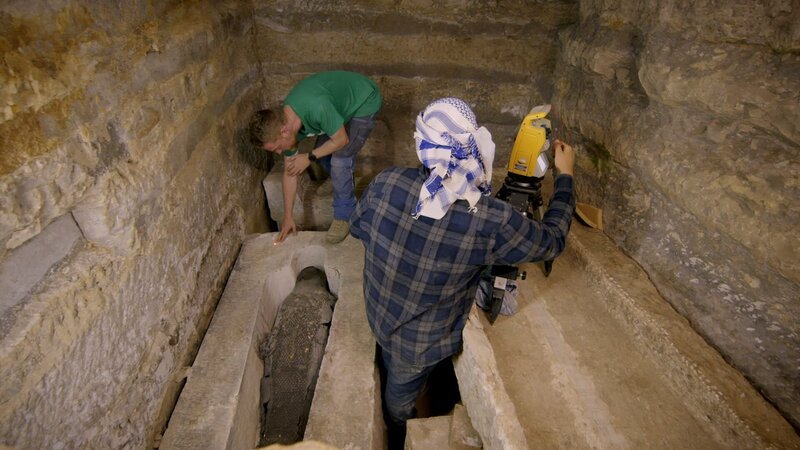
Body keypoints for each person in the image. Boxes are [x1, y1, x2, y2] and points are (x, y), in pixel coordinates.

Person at [348, 97, 576, 445]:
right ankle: (400, 431)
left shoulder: (386, 182)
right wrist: (566, 177)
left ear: (423, 143)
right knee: (398, 399)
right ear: (471, 148)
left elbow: (359, 228)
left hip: (379, 315)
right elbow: (552, 241)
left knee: (401, 373)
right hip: (423, 343)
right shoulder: (488, 219)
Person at [255, 70, 383, 244]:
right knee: (323, 155)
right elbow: (290, 171)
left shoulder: (317, 107)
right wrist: (288, 217)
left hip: (364, 99)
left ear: (284, 131)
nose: (279, 153)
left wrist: (308, 157)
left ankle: (344, 216)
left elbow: (341, 140)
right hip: (339, 105)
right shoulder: (285, 124)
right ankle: (341, 181)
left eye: (278, 148)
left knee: (339, 160)